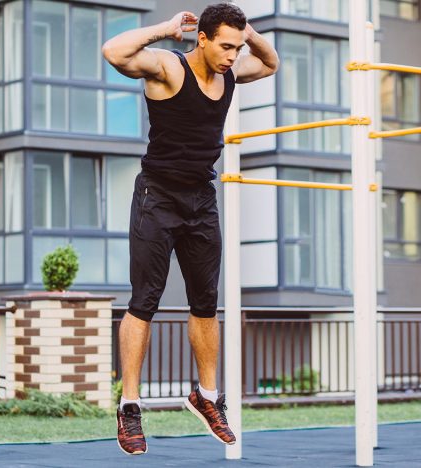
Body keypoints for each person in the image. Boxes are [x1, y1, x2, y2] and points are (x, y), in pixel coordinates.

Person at [101, 3, 279, 456]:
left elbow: (272, 62)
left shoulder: (230, 74)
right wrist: (165, 28)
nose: (231, 55)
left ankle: (205, 395)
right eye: (224, 45)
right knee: (145, 300)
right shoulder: (168, 68)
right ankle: (130, 406)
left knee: (205, 302)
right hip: (157, 197)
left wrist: (249, 34)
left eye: (236, 47)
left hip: (201, 199)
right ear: (202, 38)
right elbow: (113, 50)